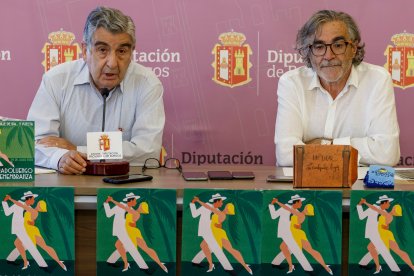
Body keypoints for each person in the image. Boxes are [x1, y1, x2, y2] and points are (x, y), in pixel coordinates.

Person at [27, 6, 165, 174]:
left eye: (122, 51)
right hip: (69, 183)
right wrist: (60, 158)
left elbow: (148, 151)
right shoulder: (56, 80)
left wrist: (81, 150)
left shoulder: (147, 84)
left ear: (132, 52)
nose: (112, 63)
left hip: (125, 184)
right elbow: (36, 143)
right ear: (85, 51)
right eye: (102, 50)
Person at [274, 10, 400, 167]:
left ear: (353, 48)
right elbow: (286, 155)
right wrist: (354, 148)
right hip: (304, 188)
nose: (328, 55)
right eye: (319, 47)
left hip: (358, 187)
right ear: (309, 52)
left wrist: (324, 145)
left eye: (338, 45)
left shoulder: (377, 80)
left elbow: (387, 154)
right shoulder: (292, 83)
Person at [5, 195, 67, 271]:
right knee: (20, 243)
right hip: (30, 230)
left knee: (42, 246)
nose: (35, 201)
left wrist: (10, 199)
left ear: (39, 206)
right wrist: (32, 222)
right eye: (34, 199)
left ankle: (57, 262)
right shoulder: (32, 210)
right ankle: (57, 261)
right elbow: (31, 220)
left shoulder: (33, 211)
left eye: (38, 203)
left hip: (30, 231)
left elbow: (20, 204)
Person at [107, 196, 168, 273]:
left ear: (141, 207)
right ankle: (123, 263)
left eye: (140, 205)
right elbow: (131, 222)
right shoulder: (134, 212)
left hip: (132, 233)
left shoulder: (135, 213)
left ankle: (156, 265)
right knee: (119, 245)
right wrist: (132, 224)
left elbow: (121, 206)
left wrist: (112, 200)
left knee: (143, 248)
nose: (138, 204)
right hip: (129, 231)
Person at [194, 197, 253, 275]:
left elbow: (207, 206)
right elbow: (217, 223)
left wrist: (198, 200)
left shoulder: (221, 214)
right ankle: (211, 265)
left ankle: (245, 266)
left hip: (217, 234)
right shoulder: (220, 213)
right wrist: (218, 225)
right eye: (223, 204)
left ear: (227, 209)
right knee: (203, 245)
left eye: (227, 207)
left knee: (230, 250)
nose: (223, 204)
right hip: (215, 232)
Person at [273, 199, 332, 275]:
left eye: (306, 208)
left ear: (307, 210)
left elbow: (286, 208)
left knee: (310, 250)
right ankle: (291, 266)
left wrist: (277, 202)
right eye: (306, 207)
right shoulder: (299, 214)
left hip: (297, 235)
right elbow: (295, 224)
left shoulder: (300, 214)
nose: (304, 207)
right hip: (293, 233)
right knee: (283, 247)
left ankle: (325, 266)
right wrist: (297, 226)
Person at [362, 198, 414, 273]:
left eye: (394, 208)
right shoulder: (387, 214)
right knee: (370, 247)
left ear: (395, 211)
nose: (392, 207)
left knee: (398, 251)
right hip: (381, 234)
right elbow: (384, 224)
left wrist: (366, 203)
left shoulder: (387, 215)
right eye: (393, 208)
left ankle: (412, 266)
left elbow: (375, 209)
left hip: (385, 235)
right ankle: (378, 266)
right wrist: (385, 226)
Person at [2, 191, 48, 270]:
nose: (34, 201)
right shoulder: (18, 204)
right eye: (33, 199)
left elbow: (31, 220)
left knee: (23, 245)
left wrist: (32, 222)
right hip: (18, 228)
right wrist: (5, 202)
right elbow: (7, 213)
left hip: (26, 229)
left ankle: (10, 259)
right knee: (30, 244)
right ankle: (43, 265)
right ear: (28, 199)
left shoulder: (30, 209)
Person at [103, 193, 149, 270]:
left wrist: (133, 225)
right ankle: (144, 267)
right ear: (130, 200)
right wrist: (106, 203)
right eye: (135, 200)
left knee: (126, 247)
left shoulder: (133, 210)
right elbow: (108, 214)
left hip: (128, 231)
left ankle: (110, 261)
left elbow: (133, 223)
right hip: (120, 230)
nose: (136, 202)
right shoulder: (120, 205)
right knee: (131, 247)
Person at [190, 193, 233, 272]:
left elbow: (219, 225)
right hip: (205, 230)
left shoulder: (219, 211)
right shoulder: (206, 205)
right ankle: (228, 268)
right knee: (215, 248)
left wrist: (218, 226)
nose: (222, 203)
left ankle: (196, 261)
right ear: (217, 201)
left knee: (205, 246)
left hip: (214, 231)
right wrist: (192, 203)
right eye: (221, 201)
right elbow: (194, 215)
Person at [269, 195, 313, 272]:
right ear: (296, 202)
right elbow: (273, 216)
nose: (301, 204)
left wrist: (298, 227)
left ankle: (275, 263)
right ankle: (308, 269)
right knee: (296, 249)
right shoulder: (285, 207)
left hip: (293, 232)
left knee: (288, 248)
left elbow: (298, 224)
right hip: (285, 231)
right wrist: (271, 205)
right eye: (300, 202)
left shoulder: (298, 212)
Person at [357, 196, 400, 273]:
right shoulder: (372, 208)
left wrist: (386, 227)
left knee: (372, 248)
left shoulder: (386, 213)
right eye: (388, 203)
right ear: (385, 202)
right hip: (372, 232)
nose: (389, 205)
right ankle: (395, 269)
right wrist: (359, 205)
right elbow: (361, 216)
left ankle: (363, 263)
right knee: (382, 249)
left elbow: (386, 225)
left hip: (381, 233)